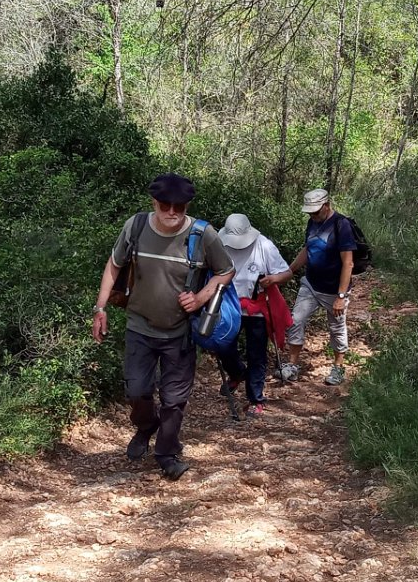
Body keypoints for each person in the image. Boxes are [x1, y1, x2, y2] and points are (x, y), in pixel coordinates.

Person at [91, 173, 234, 480]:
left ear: (187, 206)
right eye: (165, 205)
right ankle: (146, 426)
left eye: (179, 207)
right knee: (136, 390)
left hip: (179, 331)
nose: (172, 212)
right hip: (139, 325)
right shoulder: (136, 226)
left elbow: (226, 272)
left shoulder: (203, 234)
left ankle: (167, 453)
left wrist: (200, 298)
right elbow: (114, 265)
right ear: (154, 203)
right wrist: (100, 308)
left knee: (174, 399)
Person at [215, 214, 293, 417]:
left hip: (257, 306)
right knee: (223, 345)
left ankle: (255, 398)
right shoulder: (219, 243)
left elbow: (286, 273)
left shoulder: (263, 245)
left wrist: (272, 279)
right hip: (229, 305)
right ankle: (237, 373)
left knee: (256, 353)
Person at [280, 188, 356, 386]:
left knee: (336, 327)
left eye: (315, 212)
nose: (312, 216)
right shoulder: (312, 223)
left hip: (334, 289)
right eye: (310, 213)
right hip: (311, 284)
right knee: (295, 320)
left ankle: (338, 368)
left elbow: (348, 263)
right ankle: (292, 365)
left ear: (326, 206)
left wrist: (341, 296)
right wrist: (289, 271)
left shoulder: (342, 225)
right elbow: (308, 249)